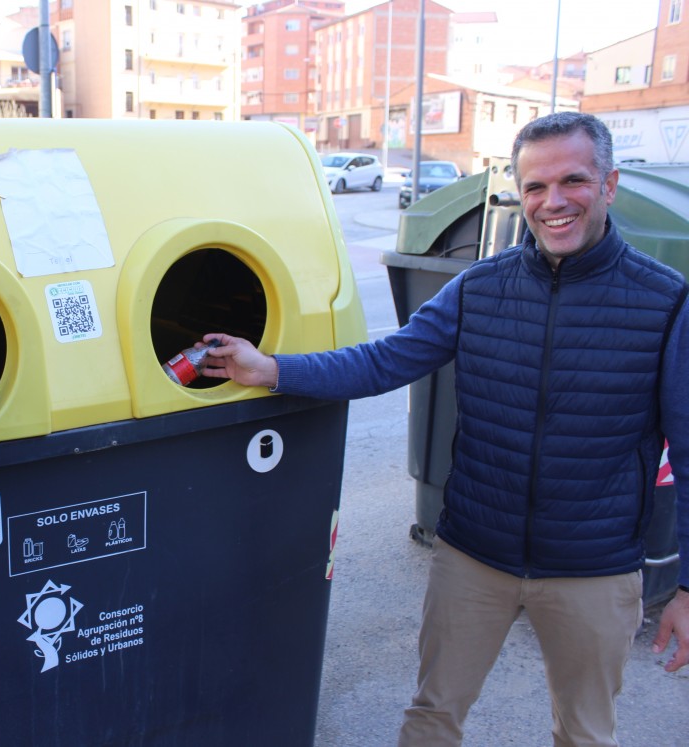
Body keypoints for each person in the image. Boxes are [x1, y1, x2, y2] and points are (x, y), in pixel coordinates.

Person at [201, 111, 688, 746]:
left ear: (609, 184)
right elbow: (383, 360)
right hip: (473, 558)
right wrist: (270, 369)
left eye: (573, 181)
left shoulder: (664, 301)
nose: (553, 202)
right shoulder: (478, 289)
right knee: (432, 718)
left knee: (586, 733)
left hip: (593, 571)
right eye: (535, 187)